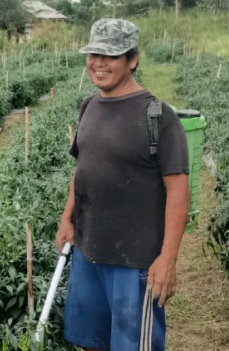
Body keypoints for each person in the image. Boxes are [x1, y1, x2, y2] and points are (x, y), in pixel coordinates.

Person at [55, 19, 190, 351]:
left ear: (133, 59)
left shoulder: (159, 117)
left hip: (136, 262)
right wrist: (66, 218)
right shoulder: (89, 106)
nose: (99, 63)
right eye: (94, 54)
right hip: (90, 253)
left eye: (110, 55)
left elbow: (178, 192)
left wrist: (168, 259)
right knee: (91, 341)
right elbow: (83, 169)